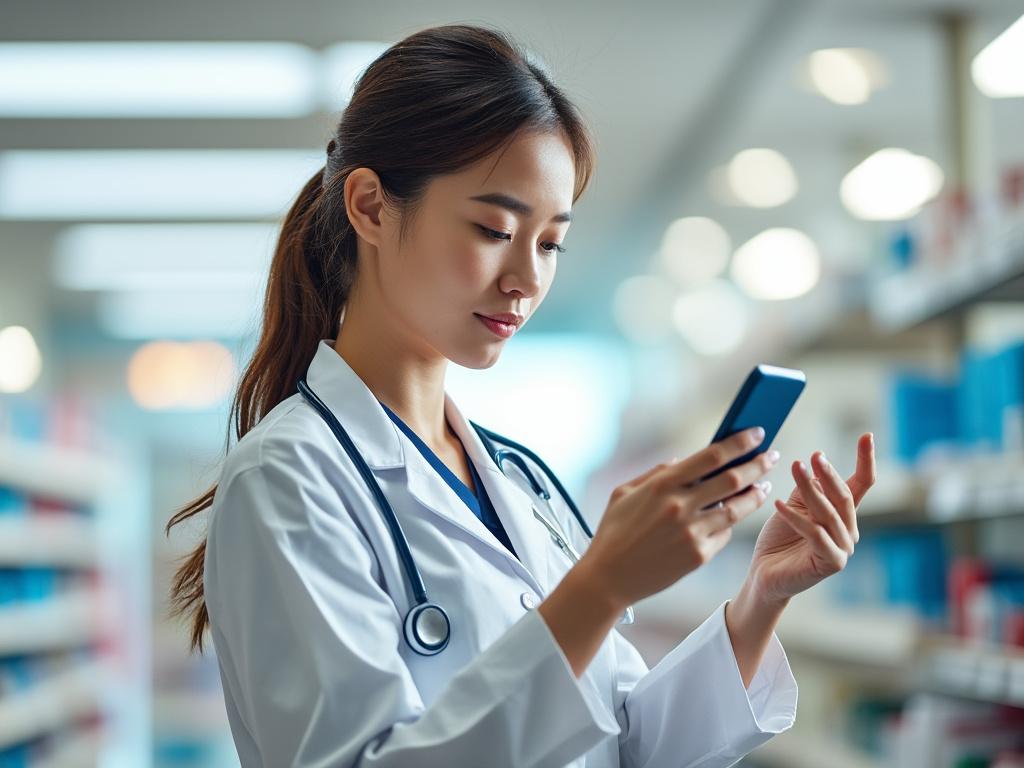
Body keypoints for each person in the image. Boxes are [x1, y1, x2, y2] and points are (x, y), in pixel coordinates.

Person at [166, 22, 877, 768]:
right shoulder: (287, 479)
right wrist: (600, 586)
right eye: (494, 228)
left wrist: (761, 600)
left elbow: (626, 745)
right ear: (372, 207)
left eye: (549, 243)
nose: (527, 280)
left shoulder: (520, 484)